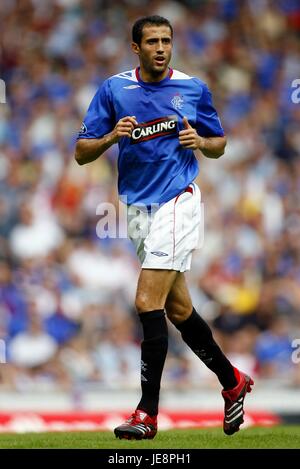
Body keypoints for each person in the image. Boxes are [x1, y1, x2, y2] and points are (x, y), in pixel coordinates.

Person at [75, 15, 254, 440]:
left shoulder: (192, 88)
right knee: (177, 310)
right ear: (135, 48)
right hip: (137, 210)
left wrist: (201, 143)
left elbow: (219, 143)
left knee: (145, 300)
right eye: (152, 41)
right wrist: (110, 138)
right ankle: (233, 382)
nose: (160, 47)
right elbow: (82, 152)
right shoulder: (114, 89)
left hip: (178, 203)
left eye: (166, 40)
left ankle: (146, 413)